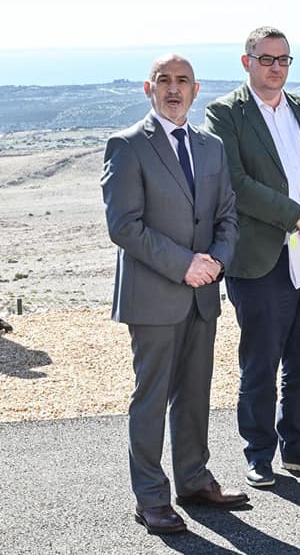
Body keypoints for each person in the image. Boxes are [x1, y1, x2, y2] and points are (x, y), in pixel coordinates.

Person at [102, 54, 246, 534]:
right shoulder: (127, 145)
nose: (173, 88)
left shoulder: (211, 146)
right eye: (163, 80)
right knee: (152, 399)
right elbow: (124, 226)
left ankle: (194, 480)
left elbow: (226, 215)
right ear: (149, 89)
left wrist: (216, 262)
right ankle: (150, 498)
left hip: (203, 294)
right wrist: (184, 264)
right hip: (153, 296)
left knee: (195, 394)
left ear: (195, 89)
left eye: (182, 80)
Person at [206, 27, 300, 488]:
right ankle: (259, 453)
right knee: (261, 363)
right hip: (261, 258)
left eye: (283, 59)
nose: (276, 67)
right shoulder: (226, 113)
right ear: (246, 62)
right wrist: (295, 217)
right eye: (266, 59)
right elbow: (234, 181)